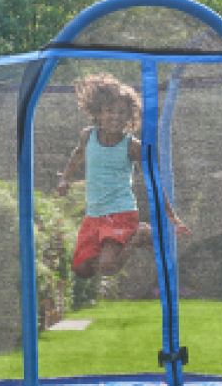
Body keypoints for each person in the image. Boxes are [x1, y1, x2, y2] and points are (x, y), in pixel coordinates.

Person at [57, 72, 190, 279]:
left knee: (108, 266)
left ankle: (139, 234)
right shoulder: (87, 136)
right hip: (94, 213)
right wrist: (65, 178)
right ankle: (131, 239)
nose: (116, 117)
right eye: (110, 111)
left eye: (122, 113)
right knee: (82, 270)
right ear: (98, 112)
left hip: (120, 211)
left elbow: (152, 179)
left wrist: (171, 216)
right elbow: (77, 155)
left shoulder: (131, 146)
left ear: (129, 117)